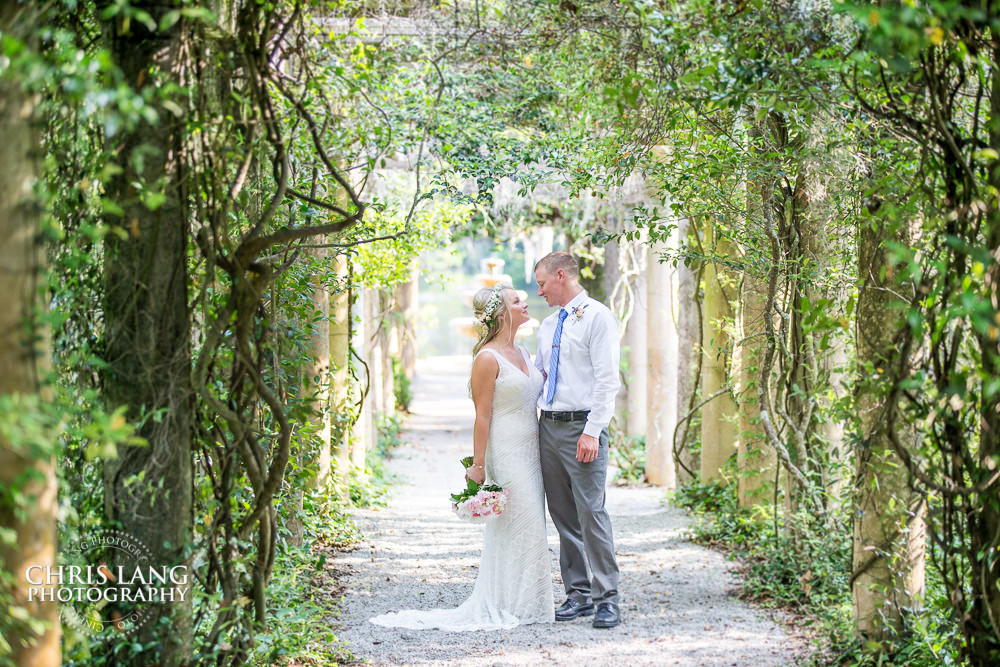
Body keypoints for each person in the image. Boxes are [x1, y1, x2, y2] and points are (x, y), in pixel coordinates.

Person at [369, 284, 553, 631]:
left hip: (532, 450)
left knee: (532, 525)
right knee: (517, 523)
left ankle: (529, 602)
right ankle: (510, 603)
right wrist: (479, 467)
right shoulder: (487, 358)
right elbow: (482, 416)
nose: (525, 302)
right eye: (517, 301)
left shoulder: (525, 353)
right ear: (501, 314)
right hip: (507, 451)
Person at [534, 251, 621, 629]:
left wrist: (592, 430)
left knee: (591, 512)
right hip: (547, 427)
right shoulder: (548, 324)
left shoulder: (598, 318)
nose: (539, 292)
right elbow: (540, 374)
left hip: (581, 427)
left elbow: (607, 380)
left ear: (561, 275)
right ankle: (579, 594)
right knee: (564, 515)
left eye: (542, 283)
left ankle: (608, 599)